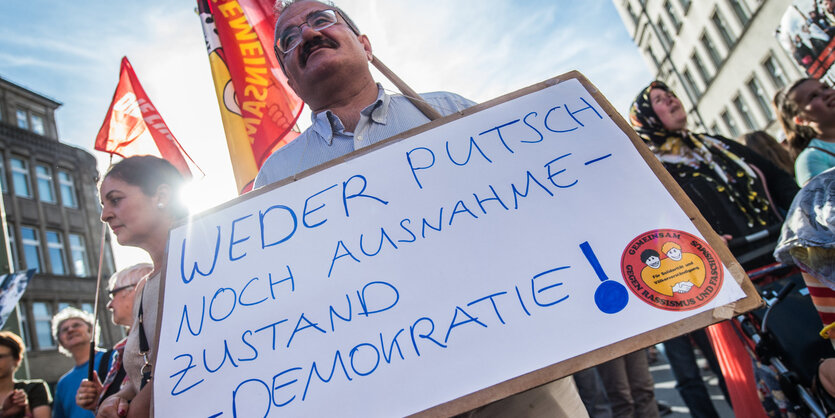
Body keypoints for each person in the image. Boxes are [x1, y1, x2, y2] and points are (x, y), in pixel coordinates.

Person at [256, 2, 588, 417]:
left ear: (365, 44)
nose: (306, 35)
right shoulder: (275, 178)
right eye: (287, 40)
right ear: (289, 80)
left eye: (321, 20)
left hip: (520, 369)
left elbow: (539, 204)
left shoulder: (450, 111)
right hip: (382, 392)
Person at [630, 81, 799, 418]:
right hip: (729, 280)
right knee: (761, 370)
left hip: (779, 257)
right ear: (647, 118)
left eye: (671, 95)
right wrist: (696, 242)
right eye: (661, 101)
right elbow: (657, 226)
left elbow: (777, 179)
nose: (673, 101)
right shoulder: (651, 170)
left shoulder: (715, 145)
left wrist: (802, 213)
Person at [95, 156, 187, 418]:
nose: (104, 215)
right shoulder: (144, 288)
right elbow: (142, 373)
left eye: (115, 200)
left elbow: (184, 367)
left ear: (162, 195)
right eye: (103, 205)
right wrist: (117, 399)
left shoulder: (203, 268)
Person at [75, 264, 152, 412]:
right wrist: (100, 401)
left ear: (138, 288)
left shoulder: (160, 343)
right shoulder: (115, 355)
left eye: (113, 294)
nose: (109, 305)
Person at [774, 77, 835, 186]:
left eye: (825, 88)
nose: (827, 94)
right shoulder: (811, 159)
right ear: (801, 120)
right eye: (813, 96)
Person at [52, 308, 112, 418]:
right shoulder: (62, 383)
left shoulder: (114, 358)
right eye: (64, 329)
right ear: (60, 341)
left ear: (91, 330)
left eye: (76, 325)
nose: (70, 330)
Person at [0, 331, 51, 418]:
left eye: (0, 357)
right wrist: (4, 414)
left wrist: (27, 411)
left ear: (17, 359)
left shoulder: (33, 389)